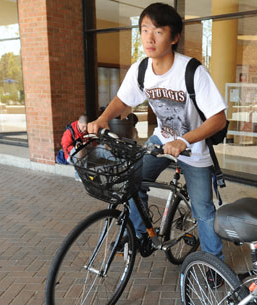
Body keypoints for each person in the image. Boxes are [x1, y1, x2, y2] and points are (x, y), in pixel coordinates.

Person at [87, 3, 227, 268]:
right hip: (162, 140)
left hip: (194, 150)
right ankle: (143, 235)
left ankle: (213, 266)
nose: (149, 38)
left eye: (158, 31)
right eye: (144, 30)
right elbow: (122, 100)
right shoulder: (141, 70)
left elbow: (218, 119)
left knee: (204, 211)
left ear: (174, 38)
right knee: (129, 180)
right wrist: (103, 118)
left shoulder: (192, 71)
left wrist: (184, 140)